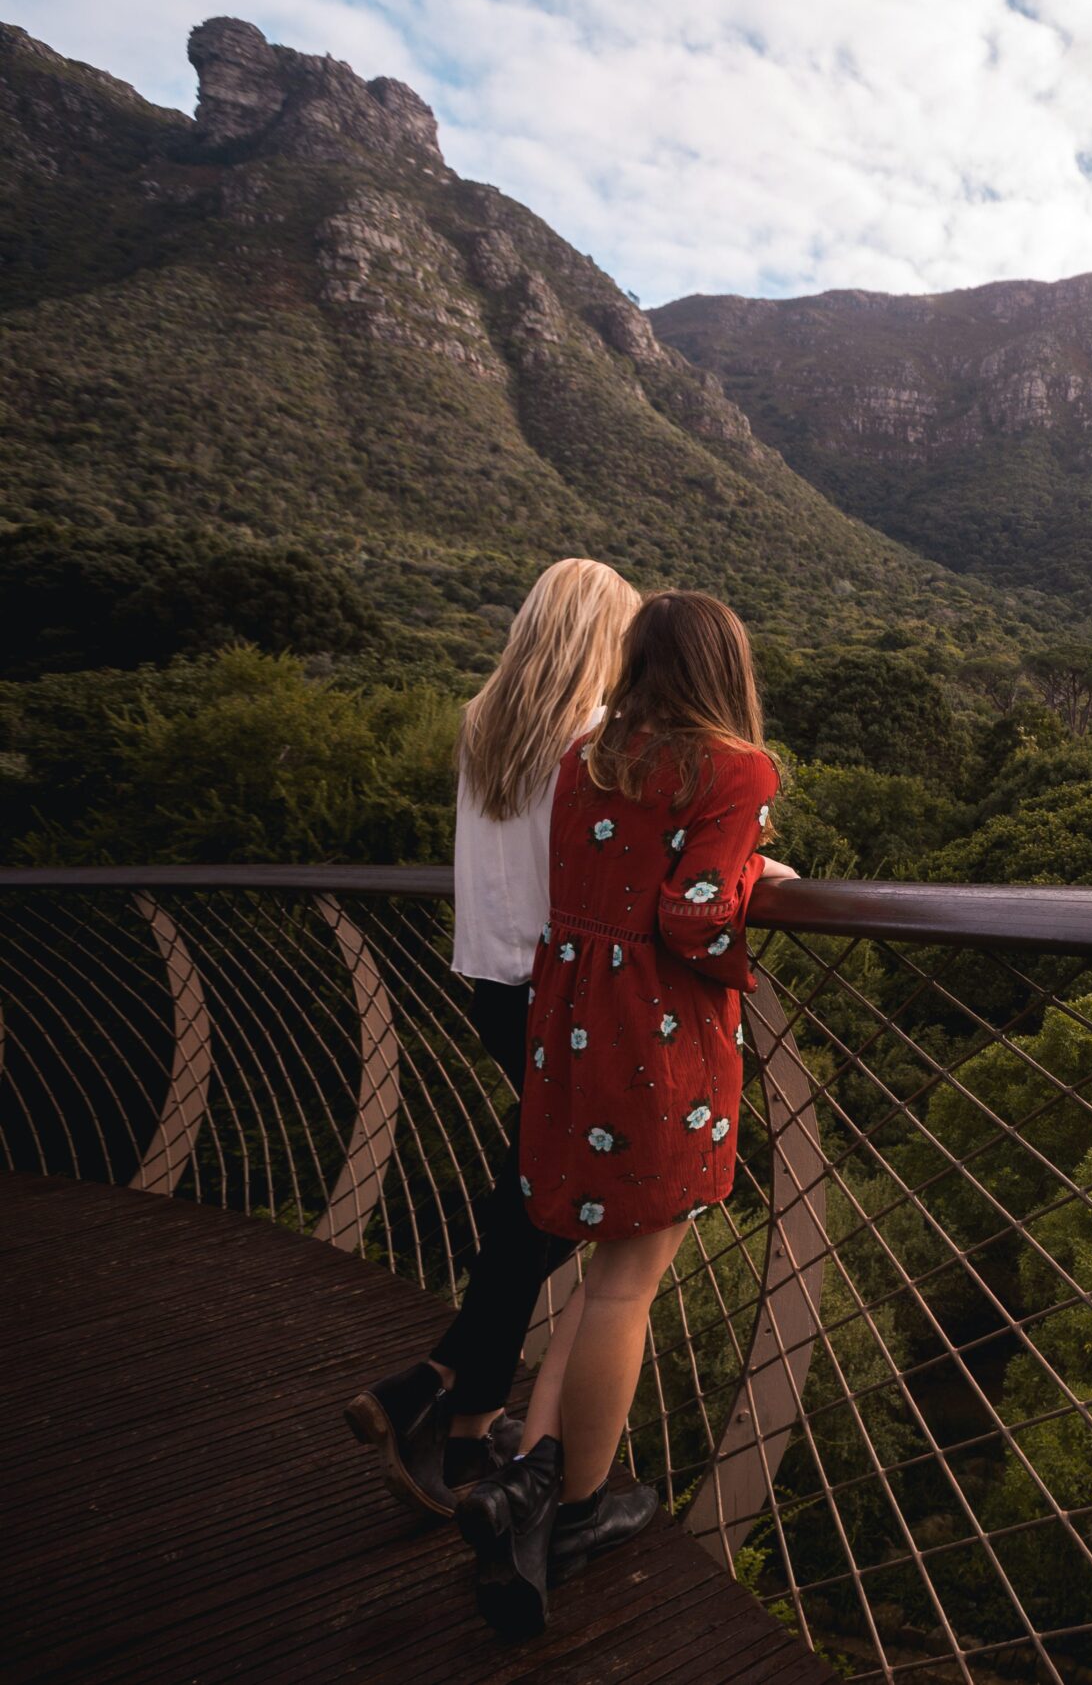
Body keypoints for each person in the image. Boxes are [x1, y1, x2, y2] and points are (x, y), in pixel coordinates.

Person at [456, 590, 796, 1640]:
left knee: (603, 1266)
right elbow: (694, 922)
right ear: (726, 667)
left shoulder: (586, 758)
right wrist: (751, 866)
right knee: (629, 1283)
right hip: (654, 1037)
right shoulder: (735, 770)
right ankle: (579, 1510)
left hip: (567, 1024)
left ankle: (528, 1478)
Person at [344, 558, 641, 1518]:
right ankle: (452, 1410)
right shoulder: (594, 741)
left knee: (536, 1193)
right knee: (559, 1204)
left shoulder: (485, 722)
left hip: (492, 988)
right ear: (606, 636)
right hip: (567, 997)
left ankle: (453, 1410)